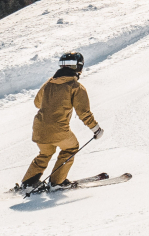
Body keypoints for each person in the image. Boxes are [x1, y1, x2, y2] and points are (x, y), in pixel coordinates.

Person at [18, 51, 102, 191]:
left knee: (45, 153)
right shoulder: (75, 87)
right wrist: (96, 129)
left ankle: (28, 183)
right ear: (79, 68)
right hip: (58, 129)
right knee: (71, 148)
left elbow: (37, 103)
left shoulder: (49, 83)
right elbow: (84, 112)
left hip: (39, 128)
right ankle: (57, 182)